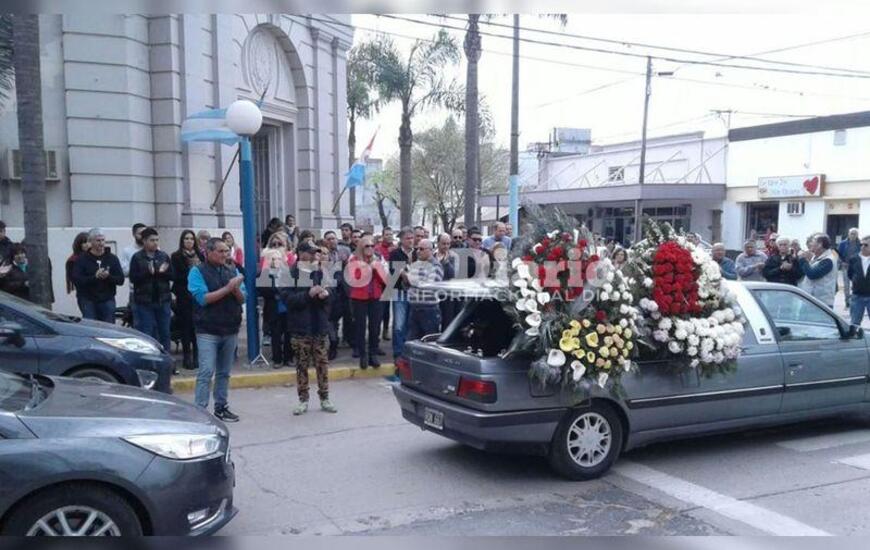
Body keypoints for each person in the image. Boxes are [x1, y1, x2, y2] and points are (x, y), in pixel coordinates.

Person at [189, 237, 245, 422]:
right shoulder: (197, 271)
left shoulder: (232, 270)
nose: (225, 255)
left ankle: (221, 407)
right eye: (220, 251)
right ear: (208, 252)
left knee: (224, 372)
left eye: (227, 251)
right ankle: (200, 411)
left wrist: (236, 289)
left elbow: (242, 298)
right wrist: (229, 287)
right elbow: (203, 299)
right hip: (207, 330)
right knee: (206, 372)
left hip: (230, 328)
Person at [281, 241, 337, 415]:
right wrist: (308, 294)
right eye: (311, 252)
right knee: (301, 365)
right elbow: (287, 300)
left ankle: (325, 397)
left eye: (316, 252)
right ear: (301, 253)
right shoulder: (289, 274)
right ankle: (303, 399)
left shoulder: (320, 272)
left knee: (322, 364)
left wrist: (326, 295)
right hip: (300, 328)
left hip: (319, 326)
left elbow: (332, 296)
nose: (314, 255)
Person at [129, 228, 174, 353]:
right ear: (144, 241)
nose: (155, 243)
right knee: (147, 332)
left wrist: (162, 273)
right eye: (151, 240)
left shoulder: (163, 256)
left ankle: (166, 359)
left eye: (157, 240)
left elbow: (172, 275)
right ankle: (149, 360)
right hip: (144, 301)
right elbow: (133, 278)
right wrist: (147, 273)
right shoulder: (137, 257)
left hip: (163, 299)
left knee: (164, 332)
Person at [347, 234, 388, 369]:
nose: (370, 248)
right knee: (360, 326)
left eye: (372, 245)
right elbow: (354, 279)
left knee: (375, 326)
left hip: (375, 297)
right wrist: (369, 268)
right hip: (359, 298)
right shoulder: (353, 259)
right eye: (367, 246)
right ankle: (363, 355)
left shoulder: (378, 259)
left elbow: (386, 280)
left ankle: (373, 354)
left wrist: (377, 269)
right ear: (361, 247)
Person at [72, 228, 124, 323]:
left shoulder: (112, 258)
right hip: (87, 299)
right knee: (91, 327)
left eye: (103, 240)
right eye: (98, 240)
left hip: (107, 299)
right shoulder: (82, 259)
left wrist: (108, 277)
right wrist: (94, 277)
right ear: (91, 242)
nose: (101, 243)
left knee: (109, 329)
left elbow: (121, 280)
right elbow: (77, 280)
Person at [260, 232, 296, 366]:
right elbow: (262, 286)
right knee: (275, 332)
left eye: (279, 244)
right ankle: (277, 359)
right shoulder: (266, 265)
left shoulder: (292, 264)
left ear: (286, 246)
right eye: (273, 244)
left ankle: (289, 357)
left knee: (289, 332)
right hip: (273, 302)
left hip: (289, 303)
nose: (276, 247)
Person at [171, 230, 204, 370]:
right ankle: (187, 356)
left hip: (197, 295)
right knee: (186, 327)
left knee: (197, 326)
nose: (189, 241)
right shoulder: (176, 256)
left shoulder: (200, 256)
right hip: (184, 294)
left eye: (191, 239)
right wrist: (192, 273)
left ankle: (198, 355)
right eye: (186, 239)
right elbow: (177, 275)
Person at [406, 239, 444, 344]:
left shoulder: (436, 266)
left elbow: (429, 287)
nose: (418, 251)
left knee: (429, 342)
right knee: (411, 342)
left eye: (421, 249)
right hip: (415, 309)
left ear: (430, 250)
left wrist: (409, 278)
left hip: (429, 310)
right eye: (417, 249)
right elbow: (408, 285)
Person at [388, 228, 415, 359]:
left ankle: (408, 351)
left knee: (411, 323)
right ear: (401, 240)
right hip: (400, 292)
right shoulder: (395, 254)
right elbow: (397, 274)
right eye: (407, 238)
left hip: (415, 293)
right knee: (399, 324)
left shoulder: (417, 253)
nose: (410, 240)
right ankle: (398, 353)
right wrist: (406, 274)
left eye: (412, 238)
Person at [798, 234, 837, 309]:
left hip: (821, 302)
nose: (810, 244)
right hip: (810, 299)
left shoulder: (828, 260)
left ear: (820, 244)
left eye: (813, 241)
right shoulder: (816, 257)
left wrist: (803, 260)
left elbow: (812, 275)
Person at [374, 227, 395, 341]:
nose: (389, 236)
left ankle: (386, 330)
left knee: (387, 309)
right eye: (387, 234)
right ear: (383, 236)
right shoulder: (377, 249)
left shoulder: (395, 248)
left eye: (391, 234)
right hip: (380, 282)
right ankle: (376, 331)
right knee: (379, 308)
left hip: (391, 281)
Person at [435, 233, 459, 330]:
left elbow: (454, 275)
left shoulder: (454, 257)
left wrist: (446, 262)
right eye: (443, 244)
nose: (446, 246)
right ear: (438, 243)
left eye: (448, 244)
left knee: (447, 321)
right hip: (433, 294)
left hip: (448, 295)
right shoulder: (432, 255)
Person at [847, 235, 870, 326]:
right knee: (854, 324)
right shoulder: (854, 259)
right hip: (857, 296)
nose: (862, 247)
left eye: (866, 245)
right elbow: (850, 274)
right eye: (861, 244)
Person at [838, 228, 862, 308]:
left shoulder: (860, 244)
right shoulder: (843, 243)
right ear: (848, 234)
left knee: (856, 284)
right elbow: (836, 253)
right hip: (846, 267)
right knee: (846, 286)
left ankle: (854, 301)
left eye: (855, 233)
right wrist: (842, 262)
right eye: (851, 233)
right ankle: (847, 302)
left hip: (857, 268)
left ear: (857, 235)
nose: (853, 235)